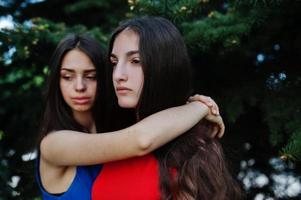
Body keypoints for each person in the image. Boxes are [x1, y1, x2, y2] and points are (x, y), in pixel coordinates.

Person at [36, 34, 224, 199]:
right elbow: (140, 139)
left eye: (91, 76)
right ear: (56, 82)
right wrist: (200, 108)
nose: (79, 87)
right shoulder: (53, 144)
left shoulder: (121, 130)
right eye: (67, 77)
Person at [92, 17, 241, 200]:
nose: (118, 75)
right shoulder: (114, 141)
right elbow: (141, 139)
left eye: (135, 61)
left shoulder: (194, 152)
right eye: (114, 62)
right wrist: (200, 107)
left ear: (164, 66)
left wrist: (199, 107)